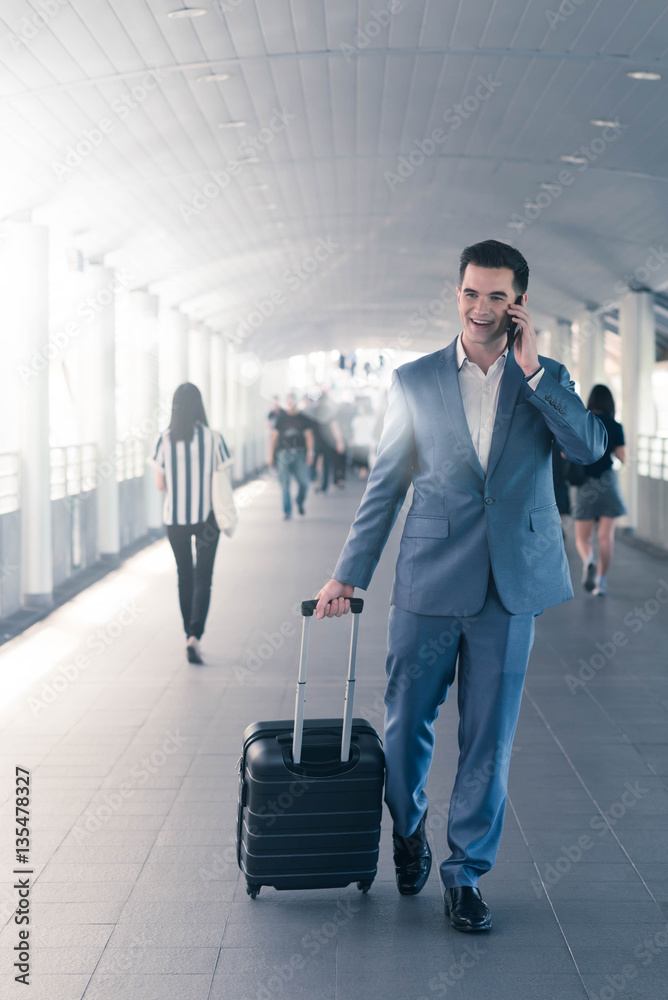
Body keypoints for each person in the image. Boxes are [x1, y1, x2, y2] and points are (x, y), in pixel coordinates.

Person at [315, 239, 606, 933]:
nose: (482, 308)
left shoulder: (544, 380)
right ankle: (408, 827)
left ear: (519, 304)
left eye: (497, 296)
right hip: (427, 580)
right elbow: (385, 486)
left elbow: (591, 451)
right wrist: (347, 574)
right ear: (457, 295)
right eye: (472, 293)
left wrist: (536, 373)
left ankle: (465, 873)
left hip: (511, 589)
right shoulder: (414, 382)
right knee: (405, 723)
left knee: (488, 738)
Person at [151, 382, 231, 665]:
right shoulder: (213, 438)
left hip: (176, 519)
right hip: (208, 518)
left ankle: (188, 634)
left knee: (183, 575)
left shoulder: (164, 439)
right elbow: (222, 479)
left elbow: (161, 484)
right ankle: (196, 635)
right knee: (203, 578)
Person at [573, 384, 627, 596]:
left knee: (582, 538)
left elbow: (566, 454)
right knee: (606, 537)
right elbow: (623, 457)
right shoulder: (615, 425)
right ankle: (601, 582)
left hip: (586, 484)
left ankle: (588, 562)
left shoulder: (583, 423)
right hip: (608, 483)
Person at [269, 393, 314, 520]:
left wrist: (311, 453)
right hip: (283, 454)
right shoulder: (281, 418)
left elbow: (309, 436)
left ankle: (299, 501)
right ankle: (287, 511)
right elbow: (274, 437)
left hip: (300, 454)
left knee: (304, 483)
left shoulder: (303, 418)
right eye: (288, 401)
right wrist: (270, 455)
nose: (290, 404)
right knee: (284, 484)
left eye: (292, 401)